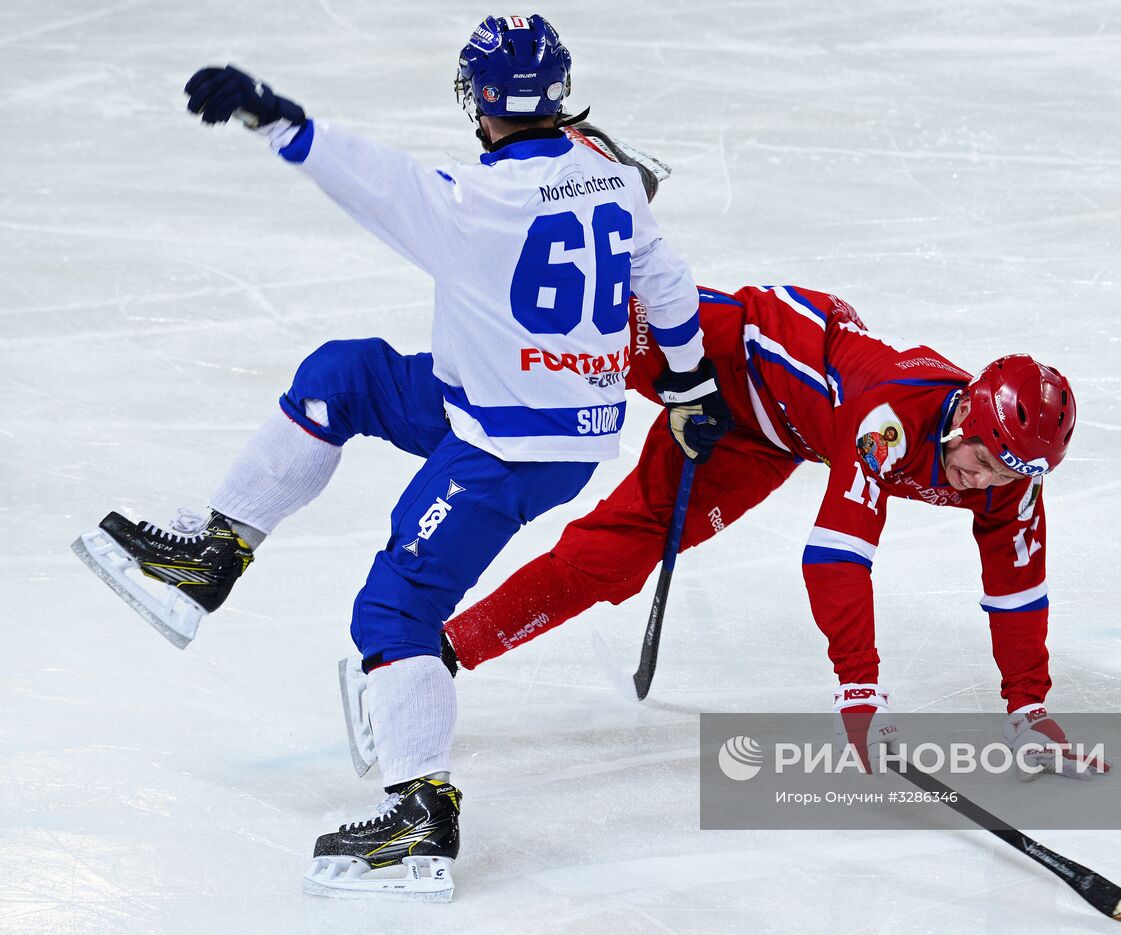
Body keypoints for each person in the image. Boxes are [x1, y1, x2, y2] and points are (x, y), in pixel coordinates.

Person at [71, 14, 729, 902]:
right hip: (509, 408)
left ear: (478, 97)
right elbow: (668, 282)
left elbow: (370, 177)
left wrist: (276, 117)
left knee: (394, 609)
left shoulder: (471, 202)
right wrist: (690, 388)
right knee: (343, 375)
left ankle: (421, 809)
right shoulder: (611, 173)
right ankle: (214, 554)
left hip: (505, 447)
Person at [420, 283, 1103, 777]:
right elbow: (836, 558)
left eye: (1005, 474)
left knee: (619, 554)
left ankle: (444, 648)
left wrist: (1027, 708)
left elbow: (1017, 589)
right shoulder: (889, 420)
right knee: (560, 353)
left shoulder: (1011, 481)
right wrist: (859, 688)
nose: (983, 482)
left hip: (768, 436)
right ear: (966, 421)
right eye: (982, 461)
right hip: (727, 345)